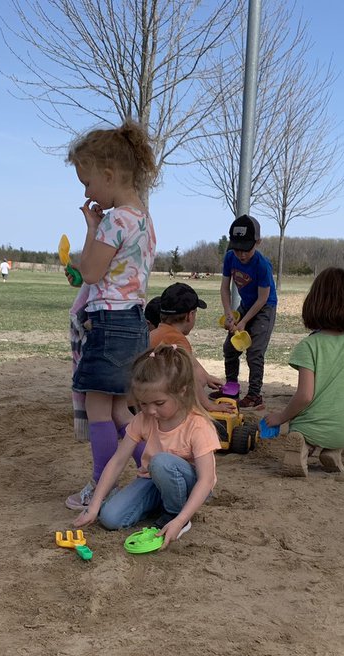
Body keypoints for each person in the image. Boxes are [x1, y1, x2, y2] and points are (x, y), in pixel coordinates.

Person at [62, 119, 158, 511]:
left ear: (108, 174)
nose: (86, 191)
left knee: (99, 408)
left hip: (109, 324)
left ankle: (100, 484)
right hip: (134, 322)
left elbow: (89, 272)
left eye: (87, 182)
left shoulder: (115, 220)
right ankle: (149, 475)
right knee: (121, 409)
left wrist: (91, 229)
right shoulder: (143, 219)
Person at [74, 346, 218, 545]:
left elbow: (206, 480)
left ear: (182, 391)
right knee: (110, 518)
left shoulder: (198, 425)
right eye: (143, 404)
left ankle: (175, 514)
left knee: (160, 462)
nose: (150, 410)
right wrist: (95, 505)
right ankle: (160, 505)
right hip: (152, 481)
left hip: (190, 485)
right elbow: (118, 461)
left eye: (159, 403)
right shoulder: (142, 420)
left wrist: (180, 520)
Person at [263, 268, 344, 477]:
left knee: (305, 419)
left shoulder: (309, 346)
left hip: (310, 429)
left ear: (314, 302)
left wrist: (281, 418)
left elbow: (304, 396)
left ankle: (304, 447)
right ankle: (334, 450)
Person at [219, 214, 277, 409]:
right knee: (230, 347)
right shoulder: (230, 258)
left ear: (258, 242)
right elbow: (224, 288)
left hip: (264, 307)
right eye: (237, 249)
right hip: (246, 304)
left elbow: (263, 298)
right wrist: (229, 314)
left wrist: (244, 322)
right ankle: (232, 388)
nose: (241, 255)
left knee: (254, 351)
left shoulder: (262, 265)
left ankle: (254, 395)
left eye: (246, 249)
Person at [146, 282, 226, 412]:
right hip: (158, 399)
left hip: (142, 394)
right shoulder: (178, 340)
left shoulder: (156, 333)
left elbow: (193, 363)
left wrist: (208, 376)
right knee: (197, 379)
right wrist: (210, 406)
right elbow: (192, 376)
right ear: (190, 315)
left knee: (201, 376)